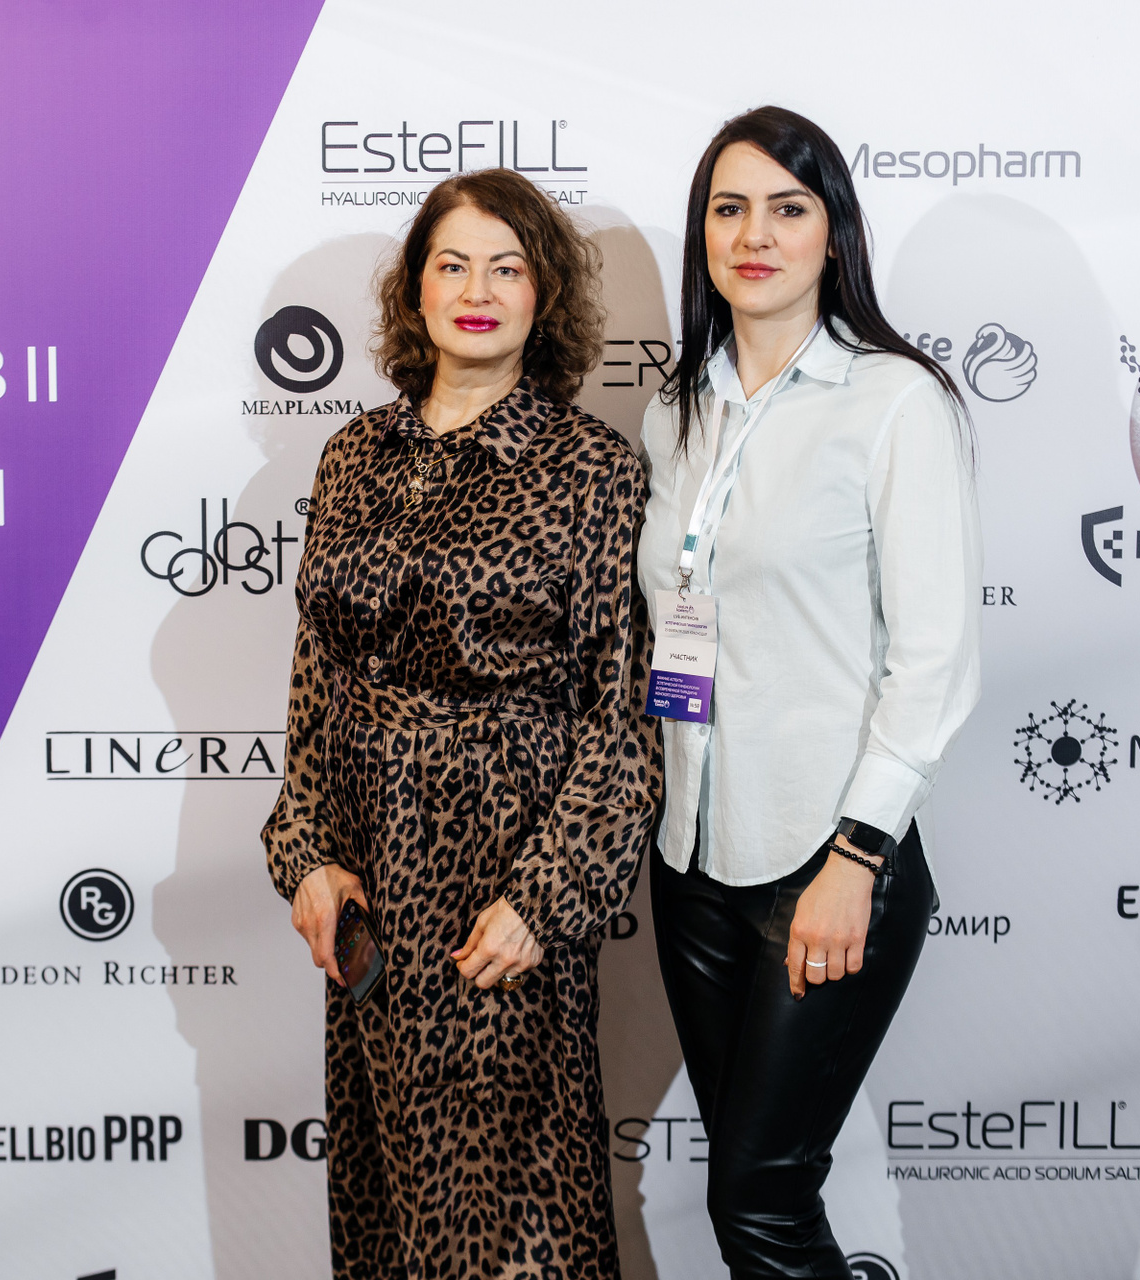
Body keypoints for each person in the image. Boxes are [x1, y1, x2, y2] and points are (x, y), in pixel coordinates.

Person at [263, 167, 662, 1278]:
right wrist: (305, 855)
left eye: (506, 267)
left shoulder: (592, 470)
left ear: (545, 295)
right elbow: (315, 682)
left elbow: (628, 717)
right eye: (452, 265)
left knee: (515, 1218)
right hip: (368, 886)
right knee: (388, 1201)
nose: (477, 291)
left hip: (504, 883)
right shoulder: (352, 455)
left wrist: (546, 897)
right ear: (416, 289)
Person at [638, 107, 981, 1278]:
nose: (756, 235)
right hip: (689, 861)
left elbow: (934, 657)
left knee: (762, 1201)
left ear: (833, 233)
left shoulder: (893, 401)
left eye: (788, 208)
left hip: (826, 864)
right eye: (729, 208)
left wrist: (858, 854)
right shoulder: (676, 409)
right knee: (749, 1198)